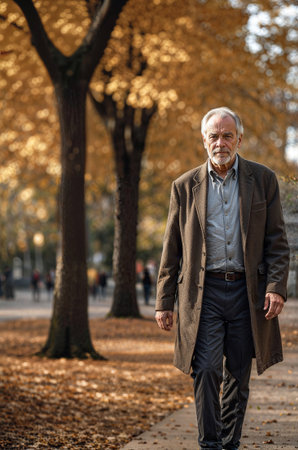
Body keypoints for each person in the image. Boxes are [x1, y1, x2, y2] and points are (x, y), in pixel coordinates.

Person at [155, 107, 289, 449]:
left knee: (238, 375)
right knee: (207, 368)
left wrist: (276, 288)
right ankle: (210, 443)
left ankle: (229, 444)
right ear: (204, 140)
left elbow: (276, 241)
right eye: (213, 136)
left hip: (248, 292)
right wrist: (163, 302)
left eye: (227, 135)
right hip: (204, 292)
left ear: (239, 139)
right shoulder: (184, 186)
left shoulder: (263, 180)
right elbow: (172, 247)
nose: (220, 142)